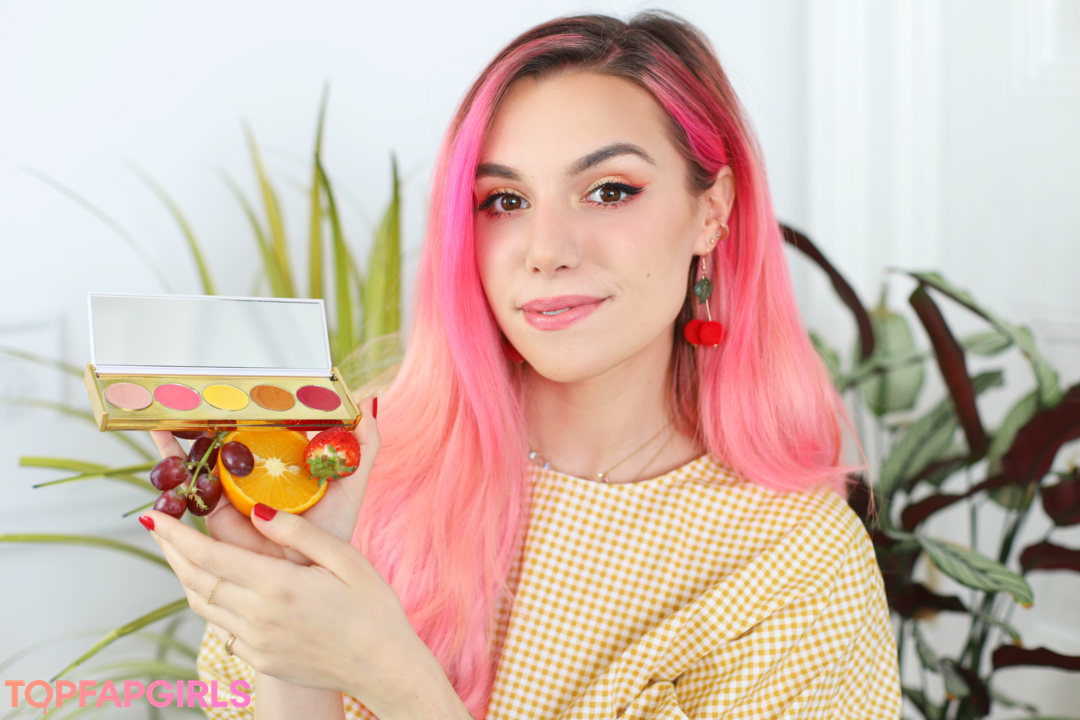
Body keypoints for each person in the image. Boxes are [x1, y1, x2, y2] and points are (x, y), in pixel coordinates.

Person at [140, 11, 901, 719]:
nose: (546, 251)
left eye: (610, 191)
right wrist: (294, 624)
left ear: (713, 211)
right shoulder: (362, 462)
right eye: (504, 201)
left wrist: (392, 677)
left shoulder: (794, 561)